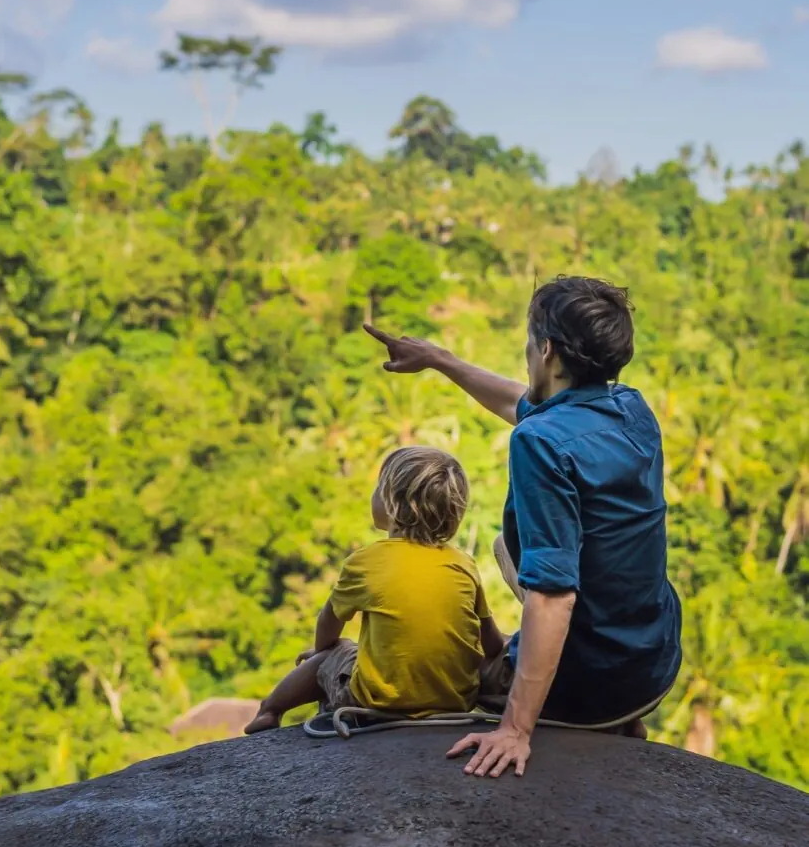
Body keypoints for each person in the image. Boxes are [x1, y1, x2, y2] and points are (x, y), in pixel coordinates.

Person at [365, 275, 682, 779]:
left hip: (592, 687)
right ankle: (624, 720)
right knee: (504, 546)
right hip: (651, 659)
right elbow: (521, 402)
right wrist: (440, 360)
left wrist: (515, 728)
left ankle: (590, 716)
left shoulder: (538, 442)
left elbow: (554, 597)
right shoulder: (631, 408)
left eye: (530, 343)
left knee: (439, 673)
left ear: (548, 350)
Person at [244, 446, 507, 734]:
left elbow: (327, 625)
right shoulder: (463, 564)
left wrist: (324, 655)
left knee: (337, 652)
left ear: (392, 503)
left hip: (377, 702)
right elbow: (491, 643)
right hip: (455, 700)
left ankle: (269, 710)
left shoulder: (366, 561)